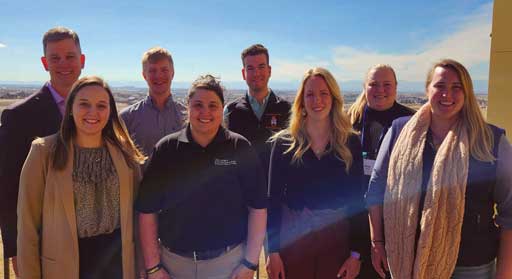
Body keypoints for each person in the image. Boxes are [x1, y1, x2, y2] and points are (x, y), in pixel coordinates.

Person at [366, 59, 512, 279]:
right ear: (427, 89)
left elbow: (509, 212)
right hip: (407, 260)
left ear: (467, 92)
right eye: (440, 86)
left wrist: (504, 274)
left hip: (471, 266)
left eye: (457, 88)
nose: (447, 95)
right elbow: (376, 189)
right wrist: (377, 242)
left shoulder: (491, 140)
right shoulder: (399, 131)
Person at [136, 75, 267, 279]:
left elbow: (258, 208)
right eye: (198, 105)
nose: (205, 112)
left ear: (222, 108)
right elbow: (147, 210)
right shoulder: (166, 149)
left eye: (213, 105)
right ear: (187, 107)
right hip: (175, 265)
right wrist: (154, 267)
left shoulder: (239, 148)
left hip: (227, 265)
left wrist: (249, 263)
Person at [16, 76, 145, 279]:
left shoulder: (124, 153)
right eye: (84, 104)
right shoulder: (43, 152)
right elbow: (28, 227)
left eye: (101, 105)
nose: (93, 112)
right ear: (70, 108)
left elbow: (138, 219)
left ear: (110, 111)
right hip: (66, 268)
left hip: (118, 264)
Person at [0, 26, 85, 275]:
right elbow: (6, 186)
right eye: (54, 58)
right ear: (44, 63)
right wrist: (16, 248)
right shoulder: (19, 116)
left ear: (82, 60)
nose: (63, 64)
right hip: (44, 241)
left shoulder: (99, 109)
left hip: (94, 241)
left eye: (70, 57)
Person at [266, 67, 365, 279]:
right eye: (309, 94)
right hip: (292, 240)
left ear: (334, 98)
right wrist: (272, 251)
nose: (316, 100)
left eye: (323, 93)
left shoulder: (350, 142)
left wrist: (356, 254)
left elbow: (358, 200)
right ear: (301, 101)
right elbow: (272, 199)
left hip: (336, 239)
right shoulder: (284, 143)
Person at [347, 64, 414, 279]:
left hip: (395, 218)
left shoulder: (411, 122)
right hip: (355, 216)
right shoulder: (351, 120)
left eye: (387, 84)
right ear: (364, 87)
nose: (380, 90)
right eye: (374, 84)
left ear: (396, 87)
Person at [224, 44, 291, 174]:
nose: (256, 73)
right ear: (244, 73)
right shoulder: (230, 112)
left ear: (269, 70)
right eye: (250, 68)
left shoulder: (287, 110)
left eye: (261, 67)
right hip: (243, 189)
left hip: (277, 187)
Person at [121, 46, 186, 158]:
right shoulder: (126, 118)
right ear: (144, 75)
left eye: (164, 70)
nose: (158, 76)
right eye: (152, 70)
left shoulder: (187, 115)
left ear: (173, 73)